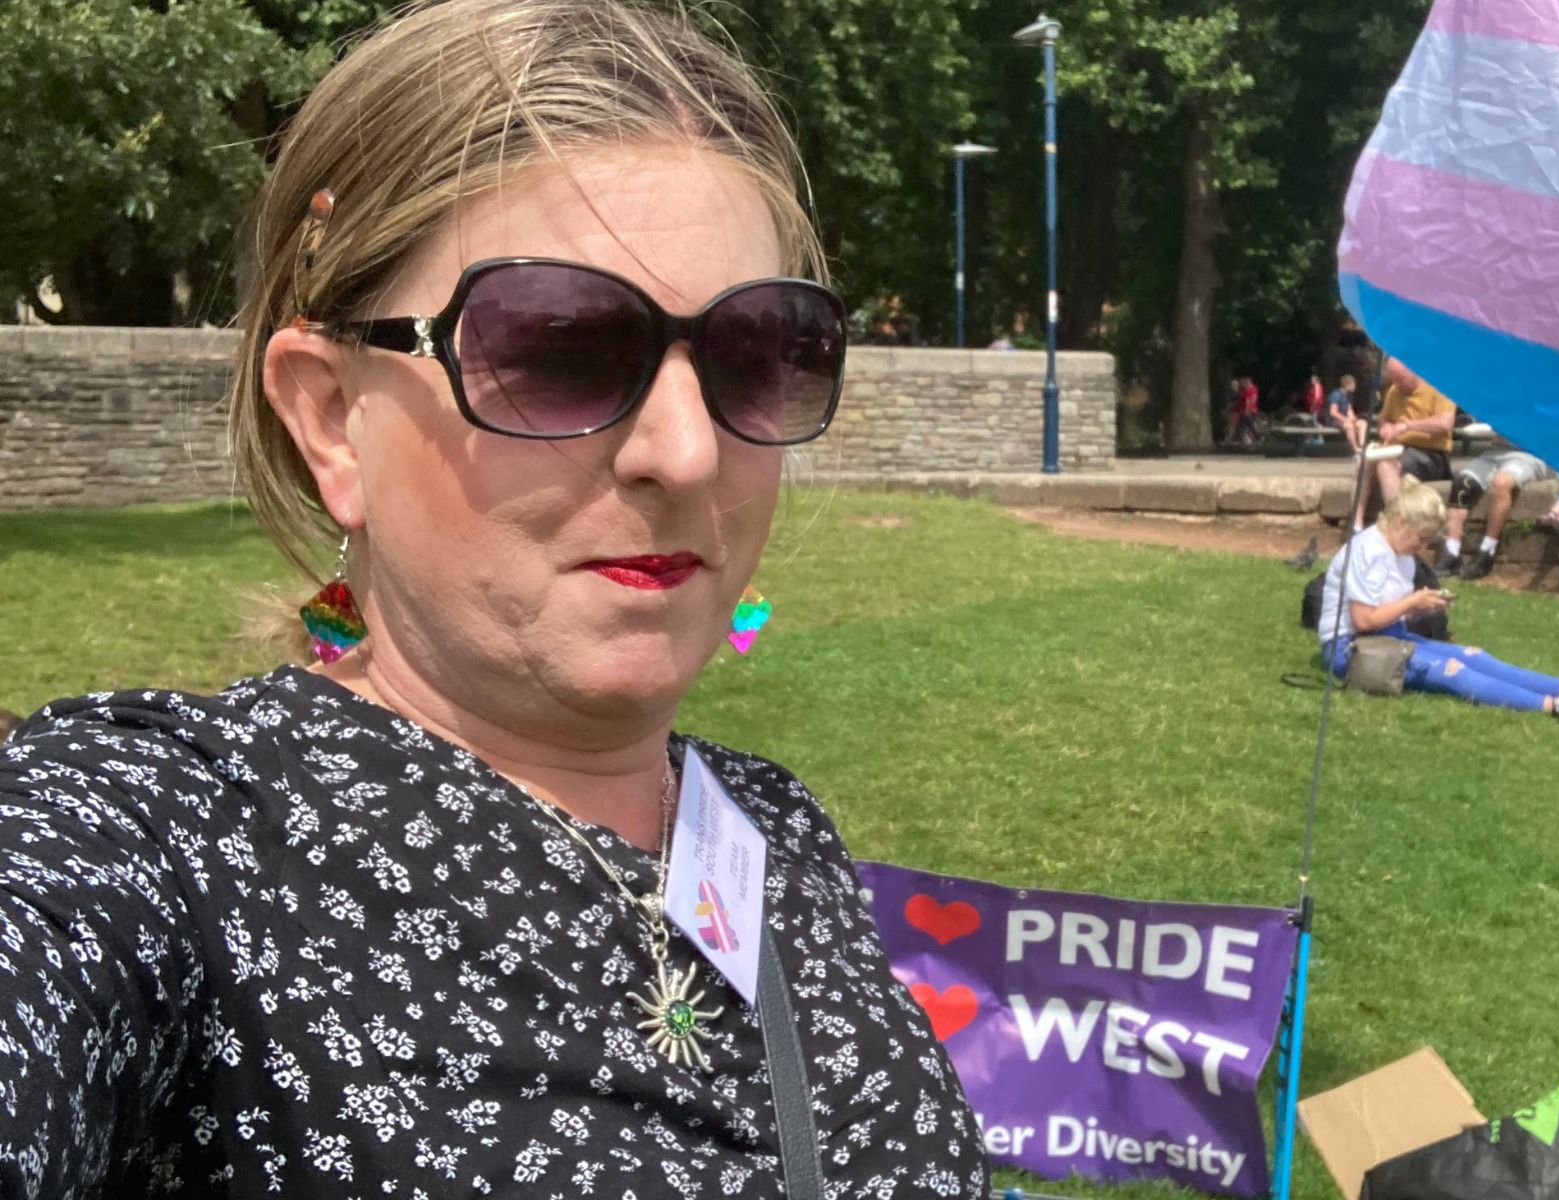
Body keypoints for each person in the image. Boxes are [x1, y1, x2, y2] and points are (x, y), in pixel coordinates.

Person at [0, 2, 989, 1196]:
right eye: (559, 346)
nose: (682, 452)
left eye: (756, 351)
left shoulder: (774, 827)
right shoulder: (175, 837)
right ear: (329, 417)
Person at [1318, 488, 1559, 719]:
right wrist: (1413, 600)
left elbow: (1385, 612)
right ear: (1400, 522)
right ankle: (1557, 707)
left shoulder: (1400, 552)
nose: (1422, 547)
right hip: (1350, 648)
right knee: (1452, 671)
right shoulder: (1368, 551)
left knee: (1472, 655)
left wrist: (1419, 606)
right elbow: (1362, 620)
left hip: (1385, 635)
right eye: (1421, 538)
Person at [1355, 357, 1454, 523]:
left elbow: (1445, 423)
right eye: (1393, 380)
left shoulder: (1439, 386)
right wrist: (1385, 428)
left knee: (1386, 465)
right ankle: (1356, 522)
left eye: (1400, 380)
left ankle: (1395, 523)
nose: (1397, 385)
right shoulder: (1394, 391)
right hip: (1398, 448)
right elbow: (1383, 420)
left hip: (1431, 454)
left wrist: (1408, 426)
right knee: (1363, 463)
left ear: (1414, 371)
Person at [1440, 441, 1553, 578]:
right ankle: (1452, 552)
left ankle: (1488, 550)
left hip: (1530, 455)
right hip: (1495, 453)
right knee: (1462, 483)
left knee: (1501, 483)